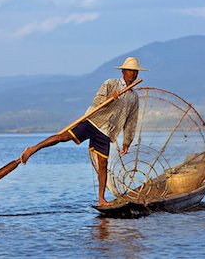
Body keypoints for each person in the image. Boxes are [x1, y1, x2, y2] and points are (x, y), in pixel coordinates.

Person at [19, 57, 149, 206]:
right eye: (130, 71)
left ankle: (101, 199)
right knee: (63, 137)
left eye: (135, 72)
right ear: (123, 72)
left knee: (103, 164)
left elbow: (131, 121)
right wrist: (110, 97)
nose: (133, 74)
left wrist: (127, 141)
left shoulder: (133, 97)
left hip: (107, 131)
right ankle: (32, 149)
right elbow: (97, 100)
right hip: (93, 121)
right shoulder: (111, 83)